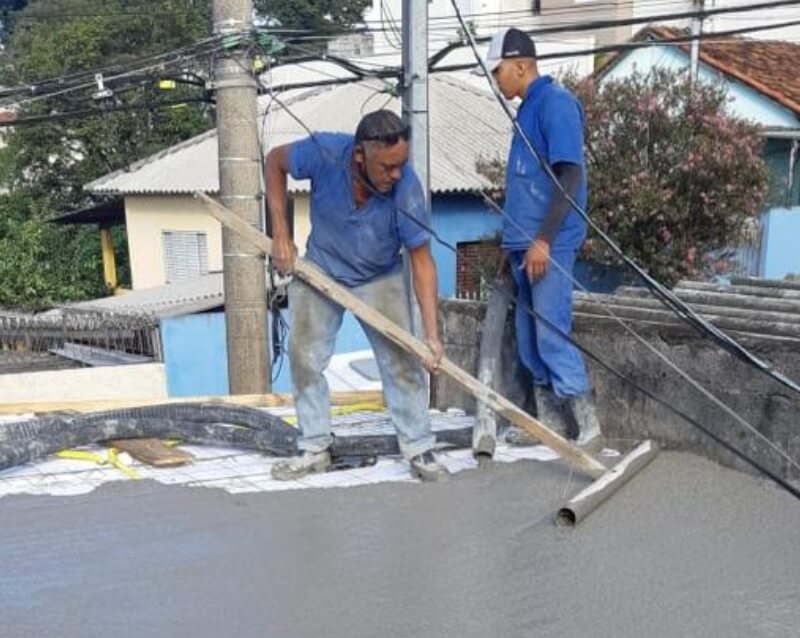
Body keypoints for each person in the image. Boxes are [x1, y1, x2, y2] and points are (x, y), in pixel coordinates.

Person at [264, 110, 450, 481]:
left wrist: (430, 336)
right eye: (387, 167)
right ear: (360, 156)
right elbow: (274, 162)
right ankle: (315, 446)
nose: (396, 175)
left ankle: (418, 447)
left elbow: (422, 262)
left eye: (401, 165)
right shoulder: (325, 153)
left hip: (380, 275)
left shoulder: (406, 188)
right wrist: (280, 234)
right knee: (303, 355)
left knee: (402, 359)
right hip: (323, 266)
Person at [480, 28, 603, 447]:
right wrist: (512, 245)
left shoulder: (555, 103)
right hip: (523, 243)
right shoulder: (528, 110)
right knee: (529, 338)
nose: (497, 81)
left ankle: (588, 425)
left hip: (547, 242)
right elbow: (526, 184)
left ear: (520, 65)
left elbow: (569, 174)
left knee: (551, 331)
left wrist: (543, 241)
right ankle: (549, 422)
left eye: (499, 72)